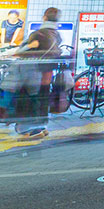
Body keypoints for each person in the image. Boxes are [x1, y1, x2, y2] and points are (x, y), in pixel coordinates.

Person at [0, 8, 61, 138]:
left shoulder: (38, 34)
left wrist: (25, 48)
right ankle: (41, 127)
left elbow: (22, 52)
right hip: (47, 76)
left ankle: (27, 130)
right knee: (41, 102)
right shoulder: (56, 35)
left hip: (32, 75)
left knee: (27, 102)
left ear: (44, 17)